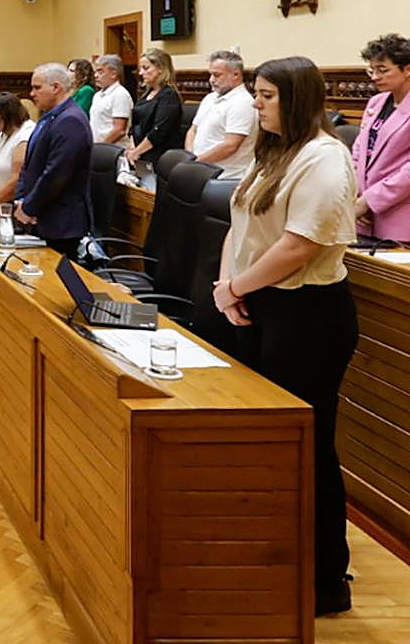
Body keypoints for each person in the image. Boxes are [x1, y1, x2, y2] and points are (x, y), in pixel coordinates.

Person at [211, 56, 358, 616]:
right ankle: (271, 551)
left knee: (307, 445)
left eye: (266, 96)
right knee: (266, 438)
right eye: (256, 94)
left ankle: (325, 577)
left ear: (296, 99)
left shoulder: (325, 157)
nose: (256, 104)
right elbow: (240, 222)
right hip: (258, 300)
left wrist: (236, 287)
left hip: (308, 316)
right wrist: (229, 286)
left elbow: (299, 246)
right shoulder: (274, 151)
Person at [14, 63, 92, 259]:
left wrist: (29, 207)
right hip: (40, 216)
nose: (32, 93)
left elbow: (57, 174)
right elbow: (29, 165)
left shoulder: (71, 120)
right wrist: (21, 200)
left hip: (59, 223)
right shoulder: (49, 116)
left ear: (56, 87)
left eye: (37, 87)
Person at [354, 34, 410, 240]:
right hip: (363, 212)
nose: (375, 77)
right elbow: (359, 149)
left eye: (382, 70)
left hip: (398, 214)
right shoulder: (376, 102)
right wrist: (356, 192)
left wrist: (370, 200)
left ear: (407, 69)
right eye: (372, 70)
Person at [186, 50, 257, 179]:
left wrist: (194, 163)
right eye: (210, 75)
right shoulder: (210, 98)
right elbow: (193, 130)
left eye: (217, 75)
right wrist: (190, 156)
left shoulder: (243, 102)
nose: (211, 80)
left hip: (224, 177)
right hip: (199, 169)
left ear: (236, 74)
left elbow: (230, 146)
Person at [124, 47, 183, 190]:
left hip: (158, 157)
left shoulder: (169, 96)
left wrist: (137, 151)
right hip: (140, 155)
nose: (140, 73)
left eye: (146, 68)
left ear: (160, 68)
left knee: (151, 193)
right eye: (140, 68)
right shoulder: (146, 94)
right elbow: (134, 125)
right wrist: (133, 148)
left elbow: (158, 132)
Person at [0, 93, 35, 220]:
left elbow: (18, 178)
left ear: (11, 117)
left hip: (12, 209)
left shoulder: (25, 134)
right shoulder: (4, 132)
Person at [89, 54, 133, 144]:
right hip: (96, 146)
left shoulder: (120, 94)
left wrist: (101, 147)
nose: (96, 75)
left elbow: (119, 130)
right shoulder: (97, 95)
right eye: (95, 72)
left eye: (100, 72)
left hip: (113, 149)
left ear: (113, 74)